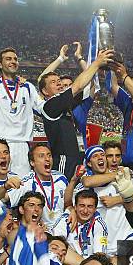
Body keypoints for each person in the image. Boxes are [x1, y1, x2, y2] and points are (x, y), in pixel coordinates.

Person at [39, 48, 114, 179]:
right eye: (53, 82)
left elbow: (88, 86)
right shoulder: (50, 106)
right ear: (45, 91)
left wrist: (84, 61)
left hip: (75, 157)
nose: (59, 83)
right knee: (64, 191)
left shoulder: (65, 105)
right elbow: (78, 86)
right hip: (63, 160)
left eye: (58, 81)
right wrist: (96, 63)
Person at [0, 47, 47, 177]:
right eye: (8, 59)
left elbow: (44, 108)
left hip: (22, 146)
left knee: (21, 187)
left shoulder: (27, 87)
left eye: (15, 59)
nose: (13, 61)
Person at [7, 144, 77, 234]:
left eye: (49, 155)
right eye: (41, 156)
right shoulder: (27, 182)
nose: (47, 159)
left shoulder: (61, 178)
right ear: (32, 162)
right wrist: (5, 186)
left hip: (63, 228)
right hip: (40, 232)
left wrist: (72, 210)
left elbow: (68, 203)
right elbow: (4, 199)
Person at [66, 189, 109, 258]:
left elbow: (99, 256)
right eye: (82, 206)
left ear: (95, 209)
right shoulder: (66, 219)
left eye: (90, 206)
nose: (85, 211)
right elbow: (55, 244)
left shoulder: (99, 224)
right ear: (75, 207)